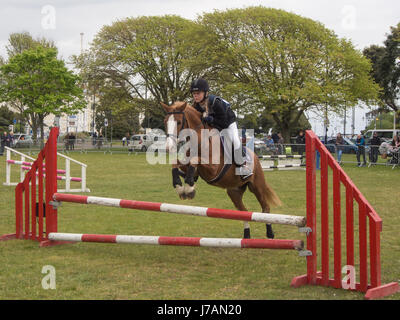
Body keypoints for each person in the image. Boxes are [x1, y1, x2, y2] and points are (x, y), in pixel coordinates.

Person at [190, 78, 252, 179]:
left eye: (198, 93)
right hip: (215, 125)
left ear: (205, 93)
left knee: (234, 140)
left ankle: (243, 166)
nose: (195, 95)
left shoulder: (215, 102)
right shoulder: (196, 106)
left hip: (228, 122)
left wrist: (211, 120)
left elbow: (224, 123)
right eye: (194, 93)